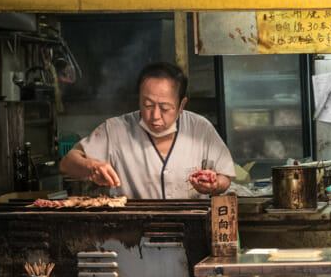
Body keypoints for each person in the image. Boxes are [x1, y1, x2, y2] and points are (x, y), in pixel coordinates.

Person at [60, 61, 233, 198]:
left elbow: (225, 176)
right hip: (130, 236)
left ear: (181, 104)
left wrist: (214, 185)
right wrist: (92, 167)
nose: (155, 115)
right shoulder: (115, 129)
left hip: (189, 232)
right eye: (148, 105)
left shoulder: (200, 128)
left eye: (165, 108)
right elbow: (67, 163)